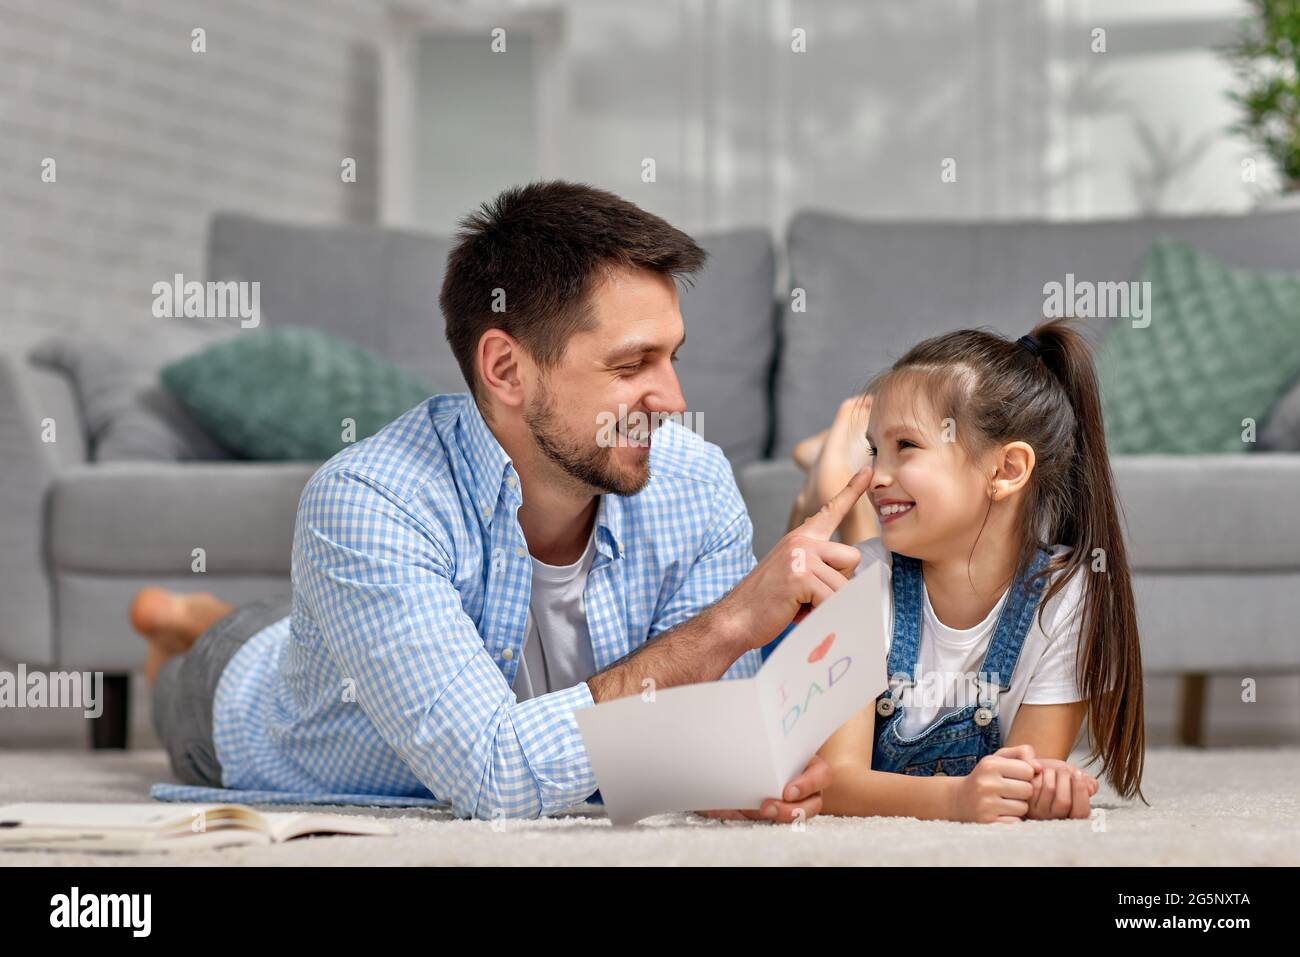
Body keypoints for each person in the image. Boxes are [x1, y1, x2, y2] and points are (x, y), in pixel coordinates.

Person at [138, 180, 870, 821]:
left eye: (671, 357)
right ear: (505, 368)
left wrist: (709, 770)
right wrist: (730, 623)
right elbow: (493, 775)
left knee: (300, 621)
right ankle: (183, 627)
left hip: (358, 621)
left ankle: (207, 613)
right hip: (244, 702)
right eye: (631, 364)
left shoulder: (694, 481)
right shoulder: (368, 501)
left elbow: (702, 728)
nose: (674, 400)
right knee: (195, 669)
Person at [783, 319, 1144, 822]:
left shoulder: (1065, 593)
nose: (876, 476)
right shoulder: (857, 584)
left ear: (1007, 470)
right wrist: (955, 800)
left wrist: (1046, 786)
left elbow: (1021, 780)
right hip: (861, 574)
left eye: (905, 446)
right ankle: (821, 483)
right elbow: (832, 783)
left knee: (867, 538)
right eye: (872, 451)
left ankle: (827, 465)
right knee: (835, 551)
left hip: (883, 555)